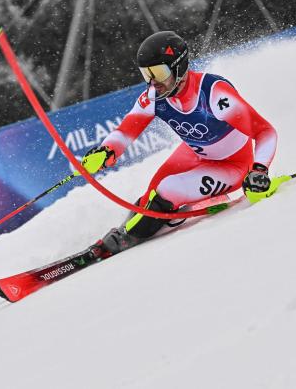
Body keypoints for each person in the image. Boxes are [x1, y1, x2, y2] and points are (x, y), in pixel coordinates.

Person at [81, 31, 277, 257]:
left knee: (168, 190)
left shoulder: (213, 94)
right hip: (196, 154)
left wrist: (259, 170)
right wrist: (106, 151)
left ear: (179, 68)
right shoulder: (154, 97)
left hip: (232, 165)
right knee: (152, 193)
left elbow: (265, 132)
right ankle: (127, 231)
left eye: (159, 73)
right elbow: (125, 132)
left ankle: (126, 238)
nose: (153, 82)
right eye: (147, 74)